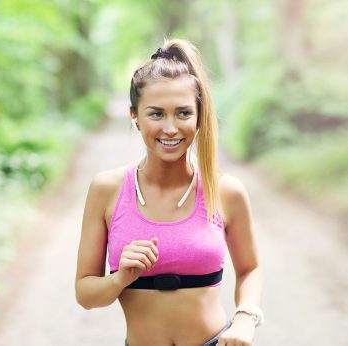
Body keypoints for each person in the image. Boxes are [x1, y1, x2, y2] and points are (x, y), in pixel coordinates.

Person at [75, 38, 263, 346]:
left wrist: (245, 318)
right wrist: (121, 277)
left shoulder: (225, 191)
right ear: (134, 116)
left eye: (184, 113)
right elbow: (85, 294)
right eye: (157, 113)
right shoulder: (106, 189)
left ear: (199, 116)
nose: (171, 128)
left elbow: (250, 268)